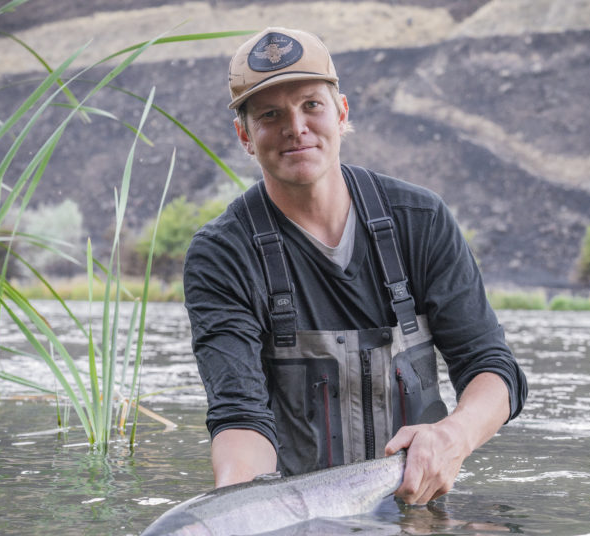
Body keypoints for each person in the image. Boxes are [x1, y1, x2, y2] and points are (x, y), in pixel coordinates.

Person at [183, 27, 527, 505]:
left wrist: (453, 437)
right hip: (299, 525)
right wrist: (238, 512)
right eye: (270, 114)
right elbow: (240, 415)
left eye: (311, 105)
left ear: (342, 113)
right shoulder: (221, 254)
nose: (295, 127)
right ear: (245, 135)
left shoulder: (420, 221)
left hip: (419, 504)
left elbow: (491, 367)